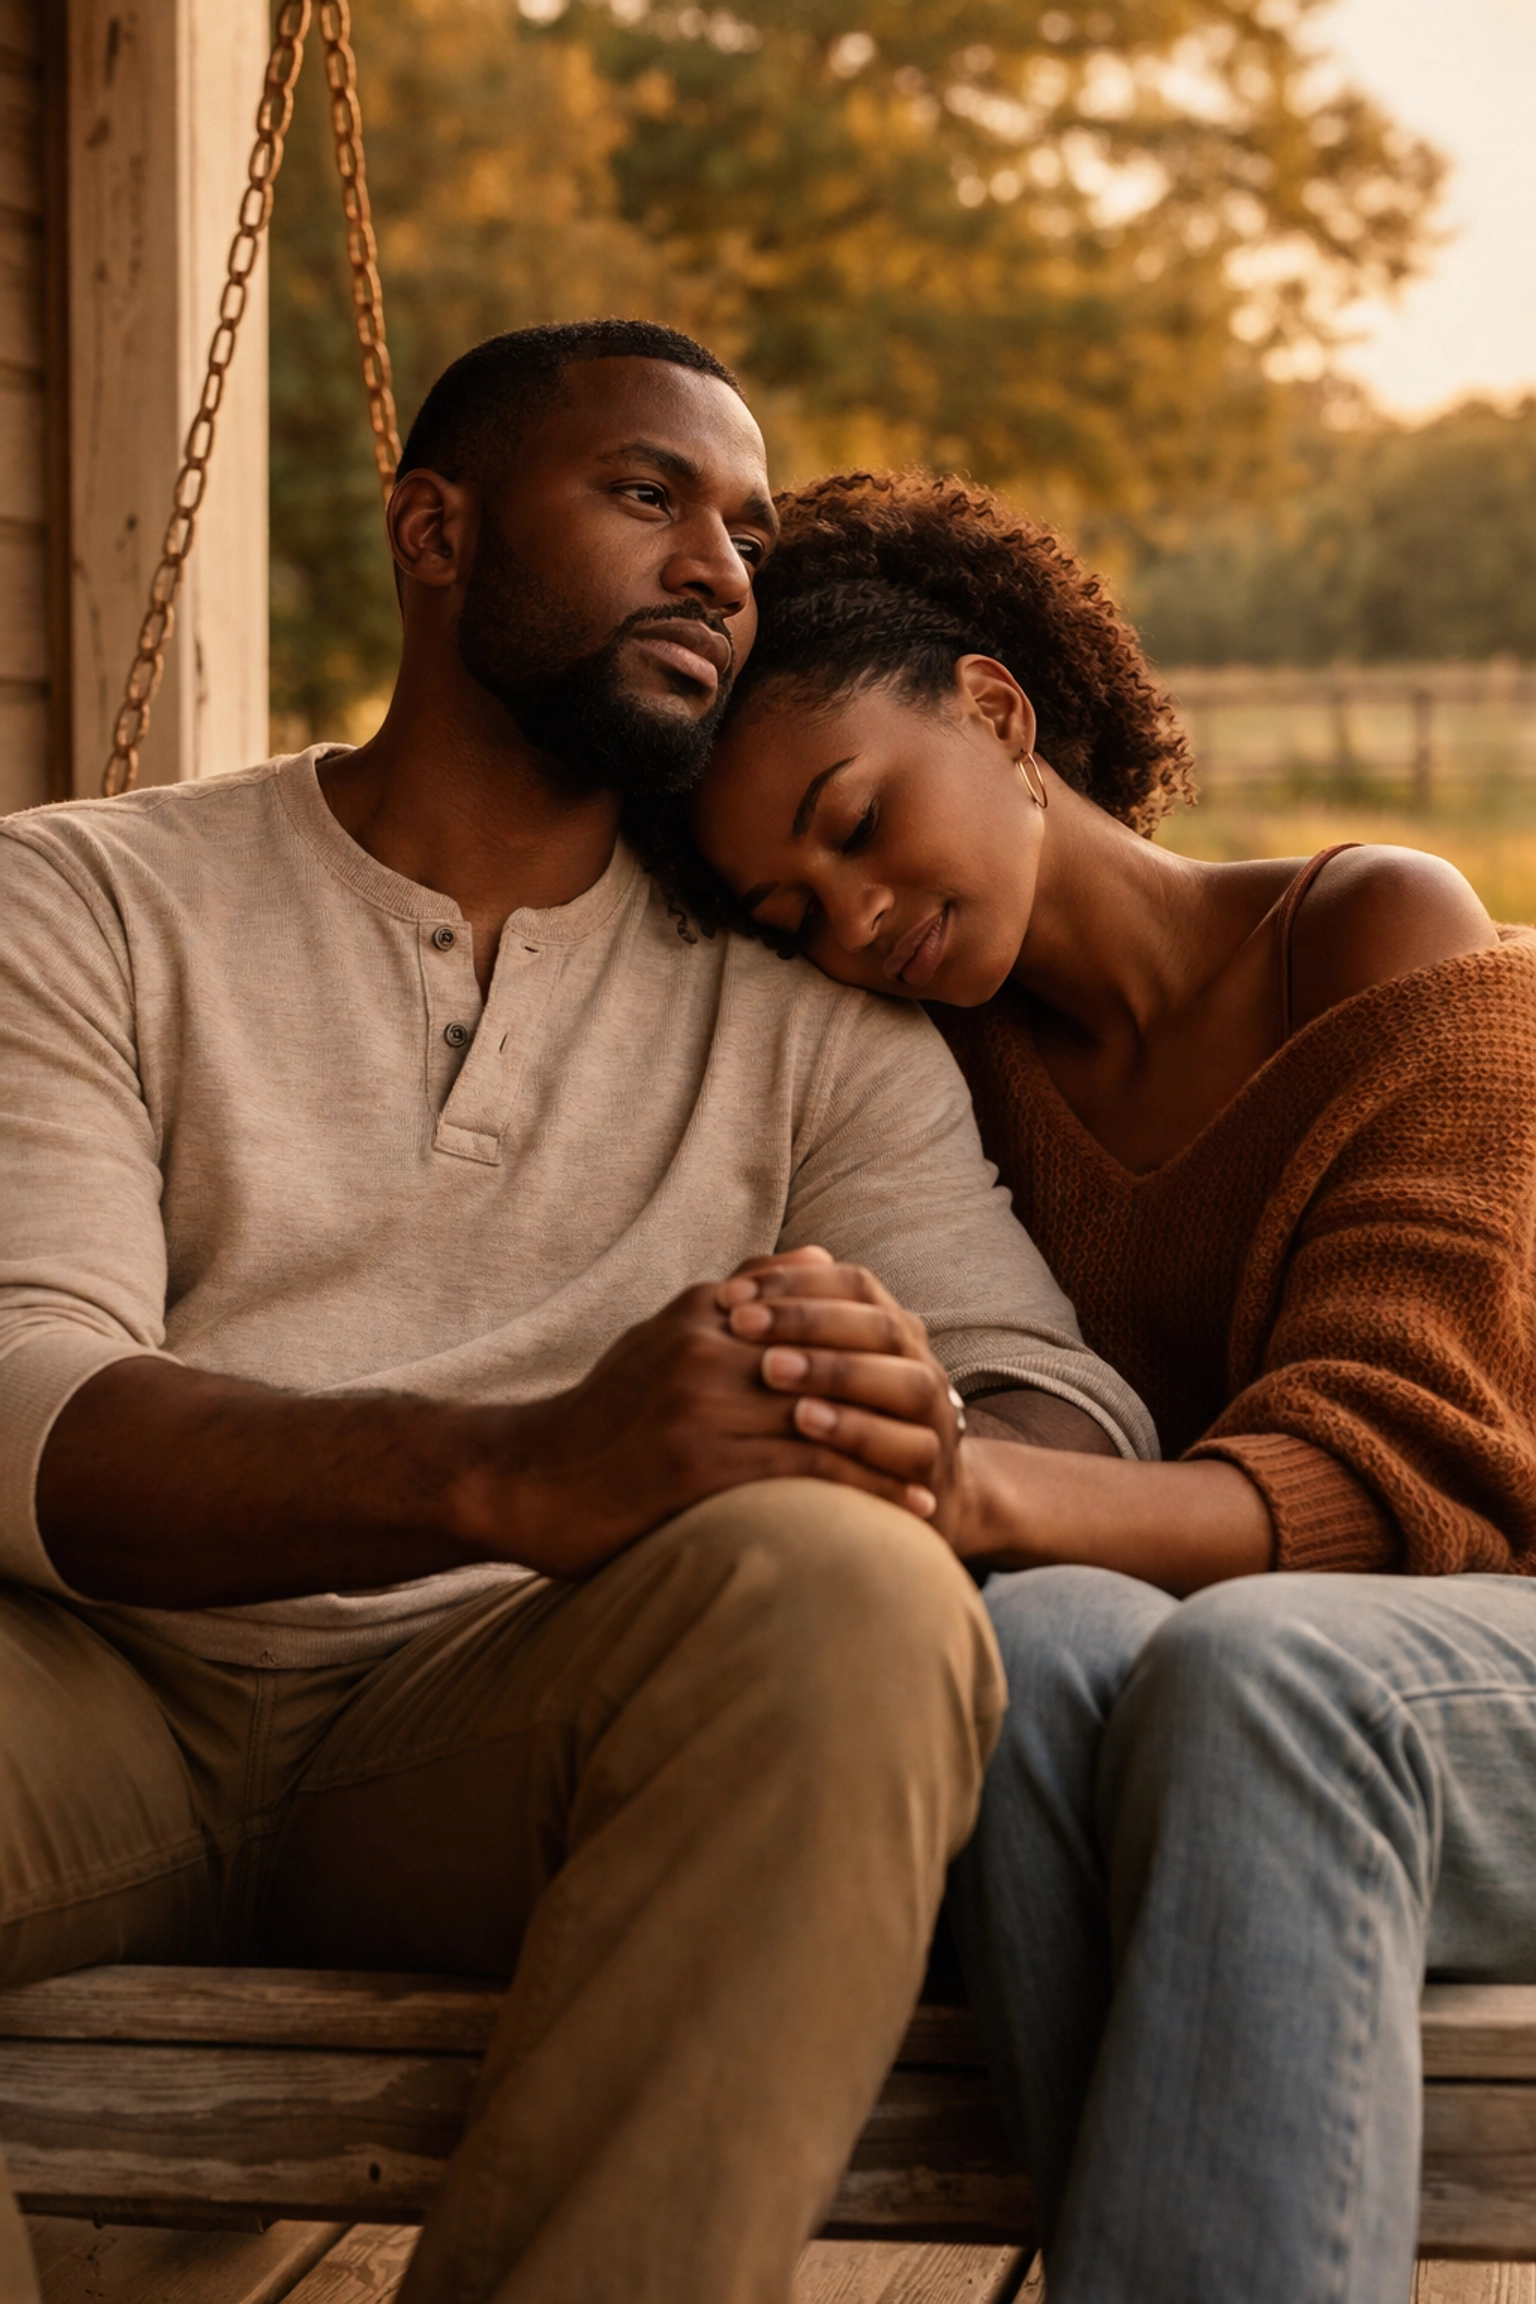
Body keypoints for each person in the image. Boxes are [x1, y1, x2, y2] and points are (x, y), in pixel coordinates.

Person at [0, 335, 1154, 2304]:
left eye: (750, 529)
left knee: (847, 1597)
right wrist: (520, 1464)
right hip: (98, 1688)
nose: (721, 564)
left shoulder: (810, 1020)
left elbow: (1056, 1410)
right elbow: (29, 1408)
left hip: (500, 1724)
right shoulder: (89, 900)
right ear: (435, 531)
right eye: (650, 496)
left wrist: (892, 1423)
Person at [676, 467, 1536, 2304]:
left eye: (855, 819)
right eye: (786, 904)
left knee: (1256, 1664)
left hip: (1480, 1640)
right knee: (1047, 1649)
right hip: (1258, 1714)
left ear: (996, 710)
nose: (846, 915)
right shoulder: (935, 1083)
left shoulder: (1375, 933)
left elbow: (1392, 1494)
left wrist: (969, 1485)